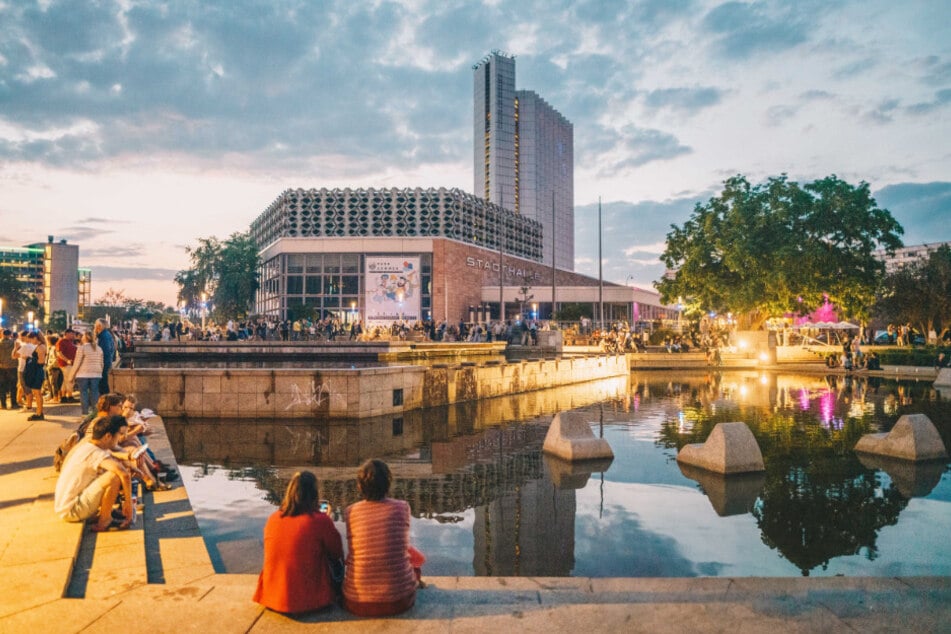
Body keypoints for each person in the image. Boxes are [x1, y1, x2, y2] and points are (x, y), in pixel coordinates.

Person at [342, 459, 424, 617]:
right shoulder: (402, 507)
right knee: (411, 557)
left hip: (356, 602)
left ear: (360, 486)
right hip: (399, 601)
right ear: (388, 483)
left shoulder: (350, 511)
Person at [253, 471, 343, 614]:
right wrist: (328, 521)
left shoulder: (273, 519)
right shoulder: (320, 521)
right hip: (311, 602)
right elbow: (337, 552)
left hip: (271, 599)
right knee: (335, 563)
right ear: (314, 494)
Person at [53, 414, 135, 532]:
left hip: (67, 506)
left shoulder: (88, 446)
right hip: (71, 510)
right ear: (108, 436)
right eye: (119, 435)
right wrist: (129, 504)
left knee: (111, 470)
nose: (121, 439)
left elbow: (114, 457)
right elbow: (123, 474)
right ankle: (104, 521)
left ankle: (105, 514)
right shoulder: (95, 453)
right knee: (114, 476)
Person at [73, 331, 104, 415]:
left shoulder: (82, 348)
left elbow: (77, 363)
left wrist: (71, 376)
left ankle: (85, 413)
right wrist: (100, 371)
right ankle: (95, 413)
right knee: (94, 393)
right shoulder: (99, 348)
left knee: (84, 393)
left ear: (85, 338)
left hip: (83, 374)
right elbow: (101, 363)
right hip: (96, 374)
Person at [0, 330, 17, 409]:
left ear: (2, 334)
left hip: (2, 367)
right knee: (13, 386)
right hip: (12, 366)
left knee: (2, 386)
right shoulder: (14, 343)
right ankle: (13, 403)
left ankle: (3, 404)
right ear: (10, 335)